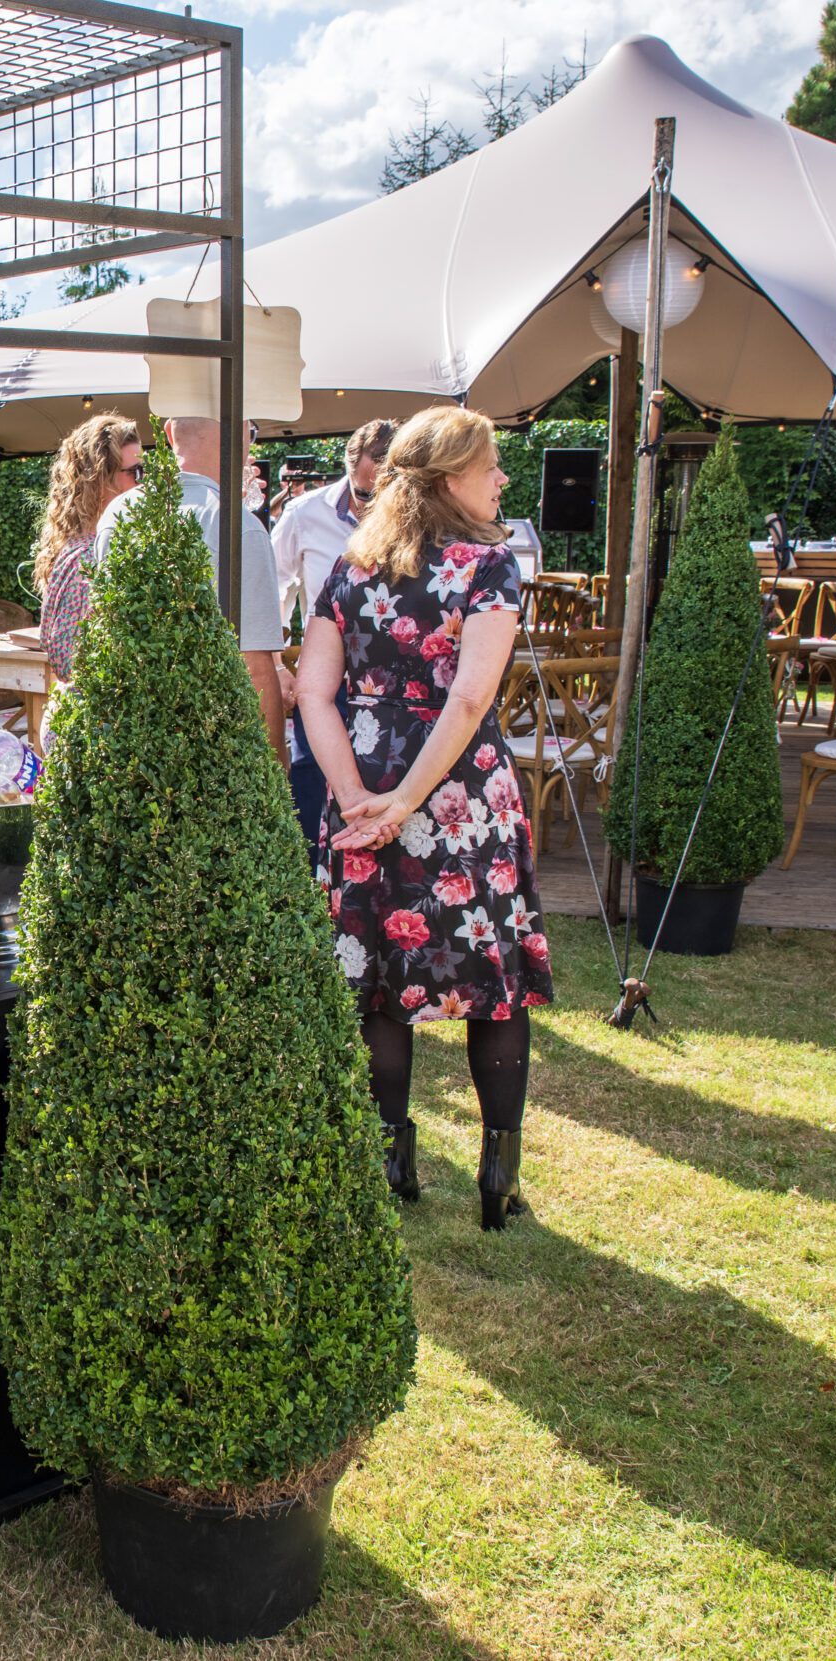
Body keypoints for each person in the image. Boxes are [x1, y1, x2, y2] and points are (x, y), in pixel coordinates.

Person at [293, 405, 553, 1232]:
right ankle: (497, 1174)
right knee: (493, 983)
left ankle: (390, 1159)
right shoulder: (490, 565)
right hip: (460, 795)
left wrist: (358, 800)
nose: (503, 478)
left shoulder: (351, 566)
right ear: (448, 480)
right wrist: (405, 801)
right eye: (491, 466)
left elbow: (312, 691)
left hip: (365, 785)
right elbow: (471, 697)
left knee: (378, 984)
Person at [92, 415, 282, 740]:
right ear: (240, 436)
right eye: (250, 431)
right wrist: (276, 764)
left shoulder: (119, 512)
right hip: (212, 741)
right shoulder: (239, 525)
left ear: (168, 433)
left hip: (134, 732)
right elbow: (255, 666)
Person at [272, 420, 398, 845]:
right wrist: (275, 663)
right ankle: (313, 878)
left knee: (384, 771)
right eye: (364, 492)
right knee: (310, 771)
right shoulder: (305, 514)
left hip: (390, 677)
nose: (370, 508)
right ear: (348, 470)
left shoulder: (417, 523)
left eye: (382, 493)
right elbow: (271, 588)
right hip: (325, 672)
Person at [33, 414, 142, 684]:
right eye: (135, 472)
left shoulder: (101, 545)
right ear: (99, 480)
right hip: (94, 721)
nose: (144, 482)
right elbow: (66, 659)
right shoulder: (89, 557)